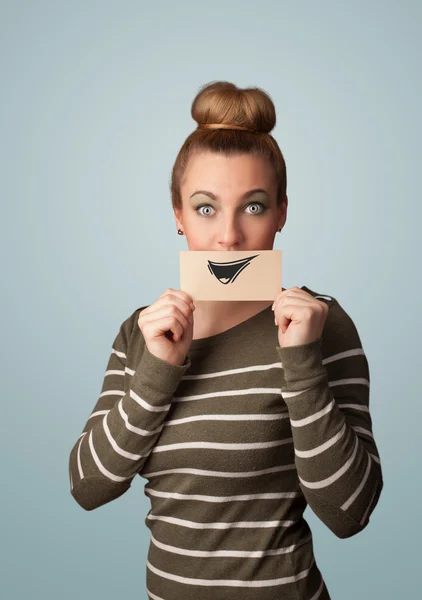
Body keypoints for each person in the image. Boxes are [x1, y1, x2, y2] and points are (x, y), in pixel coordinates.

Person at [68, 81, 383, 600]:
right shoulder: (141, 331)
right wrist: (157, 370)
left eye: (253, 207)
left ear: (282, 211)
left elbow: (350, 513)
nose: (230, 236)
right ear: (177, 215)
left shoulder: (322, 325)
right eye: (206, 208)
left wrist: (301, 363)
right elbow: (88, 487)